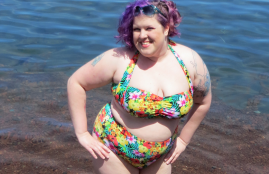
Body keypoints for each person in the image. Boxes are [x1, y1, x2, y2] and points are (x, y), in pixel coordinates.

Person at [67, 0, 211, 173]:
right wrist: (82, 134)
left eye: (149, 28)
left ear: (166, 28)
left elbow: (202, 102)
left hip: (162, 154)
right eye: (137, 29)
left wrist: (183, 141)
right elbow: (76, 83)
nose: (142, 35)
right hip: (113, 149)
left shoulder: (190, 62)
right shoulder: (120, 59)